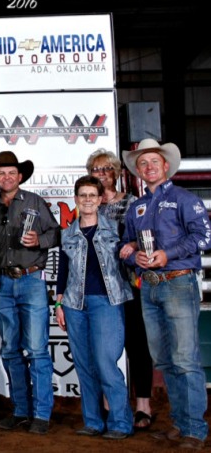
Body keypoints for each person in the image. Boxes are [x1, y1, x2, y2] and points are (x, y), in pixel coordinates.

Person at [120, 138, 211, 450]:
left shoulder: (185, 199)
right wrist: (134, 255)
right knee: (165, 359)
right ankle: (181, 422)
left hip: (178, 281)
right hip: (150, 286)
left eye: (153, 162)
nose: (148, 167)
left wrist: (166, 254)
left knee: (185, 358)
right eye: (143, 163)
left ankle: (195, 429)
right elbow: (128, 244)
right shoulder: (136, 208)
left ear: (166, 166)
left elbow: (205, 237)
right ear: (138, 171)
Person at [0, 151, 60, 435]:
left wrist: (39, 239)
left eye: (11, 172)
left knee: (37, 349)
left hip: (31, 280)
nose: (7, 177)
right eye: (1, 173)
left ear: (20, 176)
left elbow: (56, 233)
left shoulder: (36, 203)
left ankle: (41, 414)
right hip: (2, 284)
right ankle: (21, 410)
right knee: (11, 349)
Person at [54, 175, 133, 440]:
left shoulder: (115, 229)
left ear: (100, 200)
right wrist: (58, 302)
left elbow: (128, 260)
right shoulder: (67, 233)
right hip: (75, 303)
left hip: (107, 302)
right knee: (84, 364)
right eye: (82, 195)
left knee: (105, 362)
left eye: (92, 195)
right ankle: (93, 421)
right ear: (76, 199)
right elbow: (62, 271)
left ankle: (121, 422)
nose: (87, 200)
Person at [85, 148, 153, 431]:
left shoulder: (134, 203)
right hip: (101, 287)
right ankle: (110, 403)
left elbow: (146, 235)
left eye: (107, 169)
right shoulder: (88, 205)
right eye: (96, 171)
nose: (102, 175)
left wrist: (135, 245)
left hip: (129, 283)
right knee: (103, 348)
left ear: (116, 173)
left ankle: (143, 406)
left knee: (137, 345)